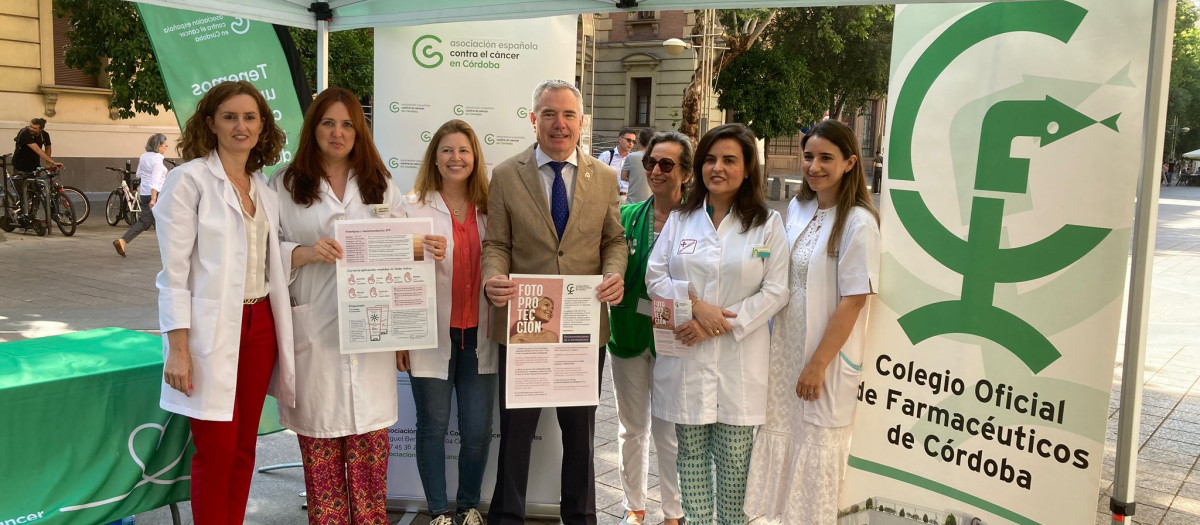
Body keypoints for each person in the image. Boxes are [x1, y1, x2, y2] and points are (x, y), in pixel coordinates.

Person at [271, 87, 444, 523]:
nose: (338, 132)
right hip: (316, 337)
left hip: (373, 338)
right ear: (313, 129)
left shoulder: (379, 183)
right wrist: (306, 252)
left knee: (369, 465)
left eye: (348, 123)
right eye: (328, 122)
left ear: (359, 131)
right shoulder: (286, 185)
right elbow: (264, 252)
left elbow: (404, 248)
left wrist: (426, 247)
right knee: (323, 462)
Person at [482, 79, 627, 525]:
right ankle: (507, 516)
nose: (559, 124)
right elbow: (496, 243)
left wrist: (614, 272)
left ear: (581, 122)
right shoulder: (506, 175)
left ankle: (581, 519)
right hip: (524, 326)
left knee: (580, 437)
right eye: (549, 113)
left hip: (582, 329)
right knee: (516, 434)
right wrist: (493, 277)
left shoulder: (604, 178)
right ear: (534, 119)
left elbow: (614, 240)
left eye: (568, 115)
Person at [154, 80, 296, 524]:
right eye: (230, 116)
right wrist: (178, 349)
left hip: (260, 326)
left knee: (244, 448)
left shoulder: (263, 187)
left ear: (263, 126)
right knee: (215, 449)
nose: (241, 126)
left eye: (250, 117)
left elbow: (269, 257)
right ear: (211, 122)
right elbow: (173, 273)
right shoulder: (188, 180)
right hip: (209, 331)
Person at [644, 123, 788, 525]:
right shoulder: (681, 220)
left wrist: (715, 322)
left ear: (747, 169)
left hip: (739, 363)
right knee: (689, 458)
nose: (717, 168)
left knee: (735, 466)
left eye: (729, 160)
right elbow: (654, 277)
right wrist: (694, 306)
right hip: (686, 360)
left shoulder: (768, 224)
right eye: (710, 159)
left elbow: (776, 291)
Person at [743, 119, 881, 524]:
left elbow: (854, 301)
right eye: (808, 156)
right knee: (781, 435)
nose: (814, 166)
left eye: (826, 158)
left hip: (823, 354)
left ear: (850, 162)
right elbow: (779, 264)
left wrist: (818, 364)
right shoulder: (800, 207)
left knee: (816, 444)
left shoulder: (859, 222)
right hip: (784, 346)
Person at [401, 118, 496, 525]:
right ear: (434, 158)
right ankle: (439, 511)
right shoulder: (412, 205)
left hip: (480, 336)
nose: (455, 158)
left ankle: (469, 506)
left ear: (475, 158)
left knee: (476, 431)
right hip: (430, 333)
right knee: (433, 427)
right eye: (447, 150)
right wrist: (416, 246)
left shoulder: (492, 208)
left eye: (463, 150)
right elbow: (388, 266)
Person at [607, 130, 693, 525]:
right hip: (627, 334)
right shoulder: (626, 217)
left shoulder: (699, 225)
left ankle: (672, 512)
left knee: (669, 431)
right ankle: (634, 506)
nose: (656, 171)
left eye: (666, 164)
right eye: (651, 163)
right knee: (632, 428)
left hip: (675, 338)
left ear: (686, 173)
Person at [114, 133, 170, 257]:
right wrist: (154, 198)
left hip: (144, 193)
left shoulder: (144, 156)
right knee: (166, 220)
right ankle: (173, 249)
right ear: (158, 145)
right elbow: (155, 180)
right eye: (165, 144)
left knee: (148, 221)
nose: (166, 147)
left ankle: (123, 241)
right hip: (156, 194)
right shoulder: (157, 160)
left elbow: (139, 174)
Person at [11, 118, 63, 216]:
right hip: (20, 166)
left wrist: (48, 163)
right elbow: (38, 150)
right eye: (31, 126)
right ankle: (22, 214)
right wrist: (53, 162)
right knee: (23, 193)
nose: (31, 129)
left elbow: (48, 147)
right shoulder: (24, 133)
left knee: (36, 191)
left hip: (34, 166)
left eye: (35, 128)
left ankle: (33, 213)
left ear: (40, 129)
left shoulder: (45, 135)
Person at [600, 127, 638, 201]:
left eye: (633, 141)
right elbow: (597, 177)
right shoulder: (607, 156)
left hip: (628, 198)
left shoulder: (633, 159)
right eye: (628, 140)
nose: (631, 144)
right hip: (610, 197)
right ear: (620, 139)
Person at [622, 128, 655, 204]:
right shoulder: (657, 158)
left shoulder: (631, 157)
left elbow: (623, 176)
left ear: (639, 141)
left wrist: (635, 177)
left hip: (633, 203)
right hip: (651, 202)